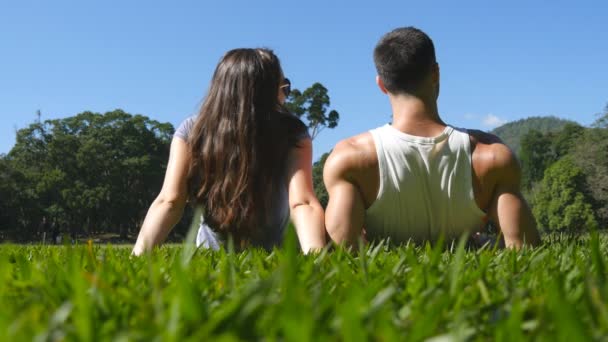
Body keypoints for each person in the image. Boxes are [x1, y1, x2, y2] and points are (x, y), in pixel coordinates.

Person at [323, 27, 541, 249]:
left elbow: (344, 248)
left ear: (381, 84)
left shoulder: (350, 158)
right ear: (436, 73)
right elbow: (524, 246)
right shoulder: (492, 156)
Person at [133, 48, 326, 255]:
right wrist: (317, 259)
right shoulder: (293, 132)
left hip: (211, 256)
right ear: (265, 93)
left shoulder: (192, 130)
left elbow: (170, 201)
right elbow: (302, 202)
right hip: (274, 254)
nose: (285, 95)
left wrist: (138, 256)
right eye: (283, 87)